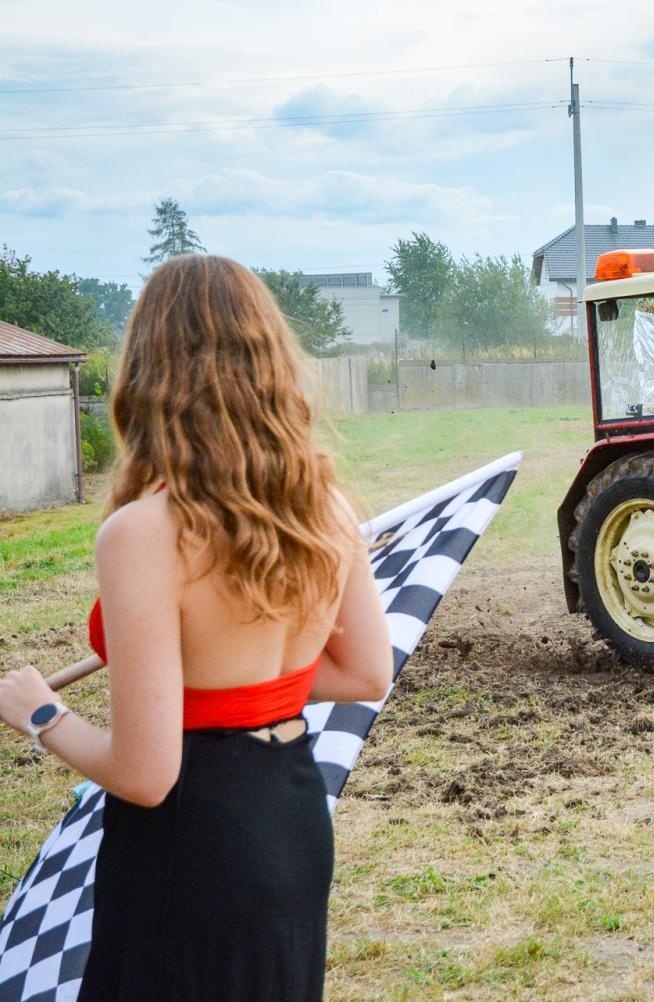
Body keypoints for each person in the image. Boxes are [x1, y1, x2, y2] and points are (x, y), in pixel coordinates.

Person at [0, 255, 392, 1000]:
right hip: (290, 820)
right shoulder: (326, 508)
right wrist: (238, 691)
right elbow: (366, 671)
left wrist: (39, 712)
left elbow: (147, 777)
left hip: (193, 846)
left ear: (148, 369)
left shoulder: (142, 535)